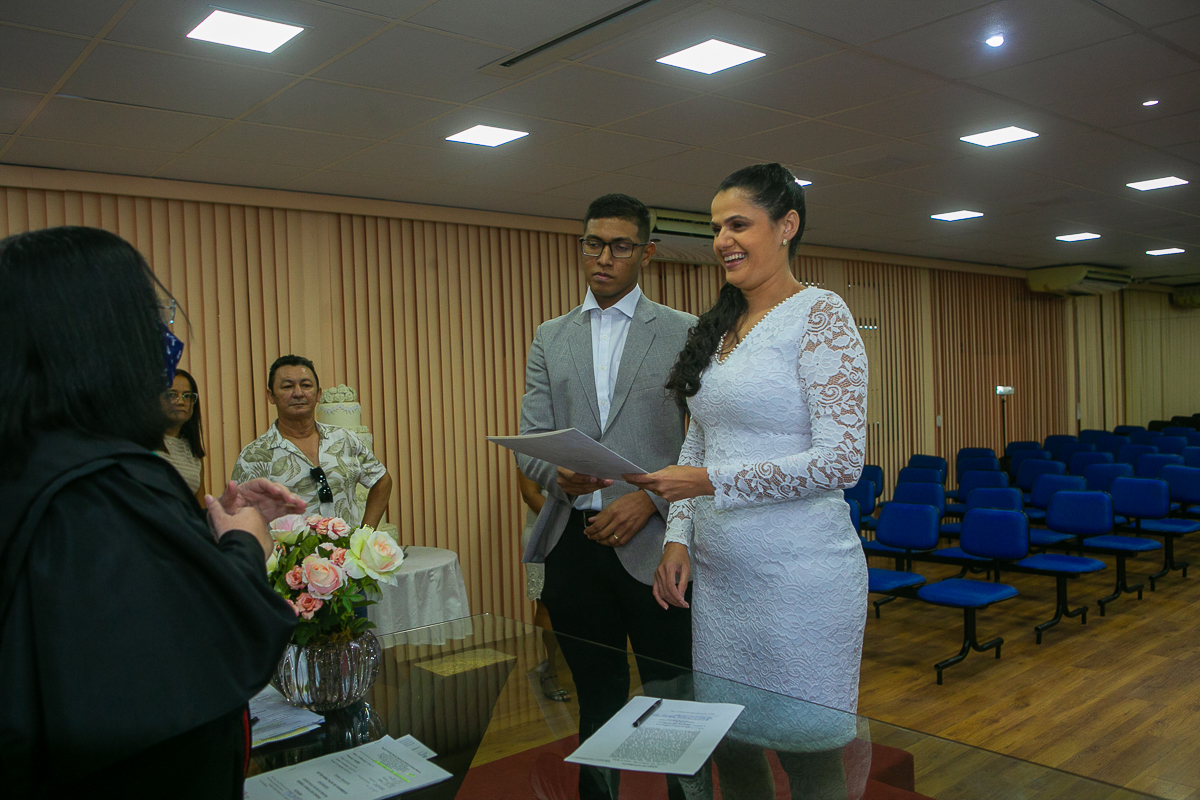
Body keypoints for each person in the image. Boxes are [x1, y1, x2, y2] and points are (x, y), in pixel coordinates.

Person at [0, 226, 305, 799]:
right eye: (148, 316)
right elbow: (201, 650)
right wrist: (243, 542)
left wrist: (202, 539)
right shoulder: (107, 483)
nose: (163, 336)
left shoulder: (26, 460)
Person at [627, 163, 870, 800]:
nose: (722, 241)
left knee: (810, 755)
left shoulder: (821, 315)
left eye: (739, 224)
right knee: (730, 746)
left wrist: (709, 482)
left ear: (787, 226)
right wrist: (677, 537)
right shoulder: (721, 326)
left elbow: (841, 461)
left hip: (802, 580)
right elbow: (698, 435)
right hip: (723, 580)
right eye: (715, 228)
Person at [518, 193, 695, 800]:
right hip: (574, 545)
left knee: (674, 700)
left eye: (620, 245)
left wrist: (652, 500)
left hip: (656, 549)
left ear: (646, 252)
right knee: (595, 698)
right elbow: (534, 440)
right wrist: (556, 474)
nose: (603, 257)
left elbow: (706, 443)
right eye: (593, 243)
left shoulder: (683, 332)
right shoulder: (550, 336)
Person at [231, 355, 393, 530]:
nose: (298, 393)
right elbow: (237, 515)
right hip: (287, 557)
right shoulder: (254, 456)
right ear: (271, 396)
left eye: (306, 385)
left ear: (318, 394)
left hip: (345, 556)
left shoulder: (344, 440)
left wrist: (366, 534)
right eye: (287, 386)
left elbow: (382, 480)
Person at [517, 470, 569, 702]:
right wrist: (569, 522)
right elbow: (529, 493)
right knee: (548, 604)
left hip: (591, 530)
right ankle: (550, 672)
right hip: (545, 531)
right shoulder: (532, 437)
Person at [158, 367, 206, 505]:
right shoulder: (143, 443)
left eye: (187, 396)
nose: (180, 401)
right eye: (172, 394)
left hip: (185, 525)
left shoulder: (193, 452)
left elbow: (200, 506)